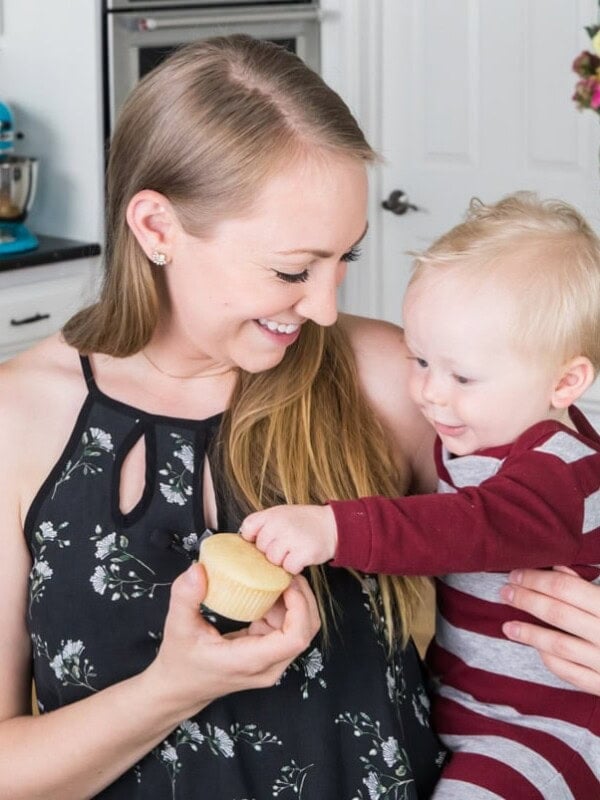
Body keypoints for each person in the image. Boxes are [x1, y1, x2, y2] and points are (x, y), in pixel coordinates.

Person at [0, 36, 597, 800]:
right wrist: (171, 689)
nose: (325, 307)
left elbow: (566, 495)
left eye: (345, 257)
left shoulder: (392, 377)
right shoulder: (18, 419)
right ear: (156, 228)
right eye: (292, 270)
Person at [240, 193, 600, 798]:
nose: (431, 393)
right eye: (420, 359)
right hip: (465, 708)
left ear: (565, 382)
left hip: (548, 727)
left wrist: (332, 529)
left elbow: (466, 527)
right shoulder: (482, 432)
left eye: (462, 377)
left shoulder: (561, 472)